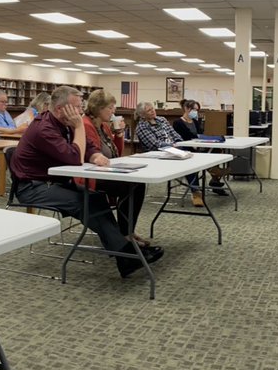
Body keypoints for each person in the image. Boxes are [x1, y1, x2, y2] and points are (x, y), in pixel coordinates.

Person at [11, 86, 162, 278]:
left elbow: (87, 147)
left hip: (56, 183)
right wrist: (80, 126)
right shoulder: (44, 128)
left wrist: (95, 154)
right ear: (60, 109)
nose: (80, 111)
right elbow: (74, 157)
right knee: (86, 201)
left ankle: (125, 255)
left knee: (96, 199)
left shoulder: (63, 123)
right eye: (76, 107)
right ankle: (126, 255)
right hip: (32, 187)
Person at [82, 89, 159, 253]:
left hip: (106, 170)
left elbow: (116, 152)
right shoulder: (87, 125)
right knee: (131, 186)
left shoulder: (103, 126)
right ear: (98, 108)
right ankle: (125, 233)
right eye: (110, 108)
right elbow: (93, 154)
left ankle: (128, 231)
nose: (113, 111)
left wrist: (119, 134)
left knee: (137, 183)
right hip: (91, 175)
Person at [135, 101, 204, 207]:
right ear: (142, 115)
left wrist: (177, 144)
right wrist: (172, 146)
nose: (153, 111)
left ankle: (196, 190)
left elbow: (175, 135)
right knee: (186, 159)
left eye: (152, 108)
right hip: (157, 154)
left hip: (174, 149)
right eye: (149, 110)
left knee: (189, 157)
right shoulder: (141, 127)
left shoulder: (162, 120)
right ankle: (196, 192)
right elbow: (154, 144)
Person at [172, 99, 228, 196]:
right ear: (186, 108)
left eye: (197, 110)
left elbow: (200, 134)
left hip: (198, 146)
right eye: (194, 109)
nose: (196, 112)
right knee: (199, 160)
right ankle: (212, 176)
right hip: (187, 149)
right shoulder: (178, 123)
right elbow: (185, 137)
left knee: (216, 150)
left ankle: (215, 179)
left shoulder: (195, 121)